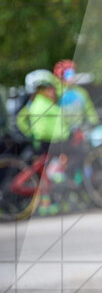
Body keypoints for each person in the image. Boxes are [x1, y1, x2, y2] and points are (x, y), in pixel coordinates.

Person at [17, 70, 71, 214]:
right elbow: (59, 126)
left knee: (45, 176)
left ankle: (47, 206)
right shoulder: (42, 104)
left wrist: (30, 133)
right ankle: (57, 193)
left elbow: (21, 119)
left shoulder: (35, 103)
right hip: (48, 142)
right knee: (55, 169)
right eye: (49, 88)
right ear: (41, 89)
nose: (52, 91)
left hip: (43, 142)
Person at [53, 59, 99, 131]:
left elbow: (89, 110)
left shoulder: (81, 92)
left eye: (73, 73)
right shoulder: (55, 92)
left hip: (79, 130)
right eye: (68, 74)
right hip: (62, 131)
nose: (72, 77)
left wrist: (94, 122)